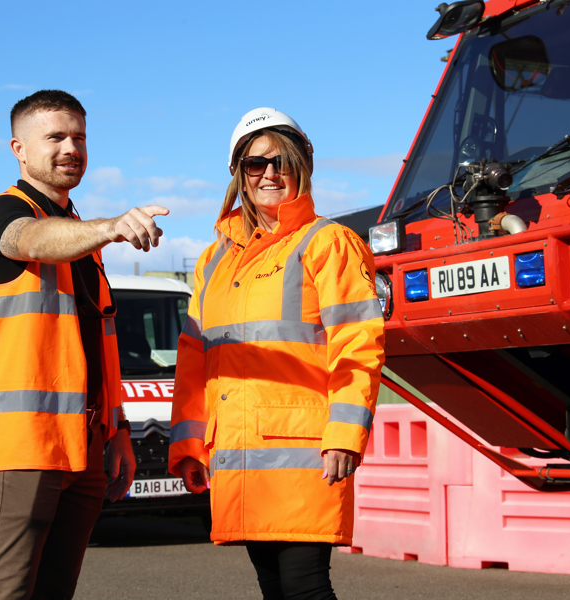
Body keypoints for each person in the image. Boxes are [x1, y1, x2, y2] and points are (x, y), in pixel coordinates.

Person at [0, 89, 169, 600]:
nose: (71, 147)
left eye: (79, 137)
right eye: (55, 136)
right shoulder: (0, 213)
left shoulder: (81, 237)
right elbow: (28, 239)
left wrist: (117, 432)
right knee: (5, 595)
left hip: (87, 446)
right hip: (22, 449)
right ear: (19, 150)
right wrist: (113, 227)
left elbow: (96, 347)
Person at [168, 107, 385, 600]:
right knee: (273, 588)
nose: (270, 174)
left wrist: (346, 435)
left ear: (302, 167)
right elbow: (194, 360)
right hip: (238, 454)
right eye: (255, 164)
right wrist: (188, 443)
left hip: (306, 452)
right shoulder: (213, 260)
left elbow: (358, 340)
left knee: (305, 588)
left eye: (281, 162)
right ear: (238, 174)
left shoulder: (328, 243)